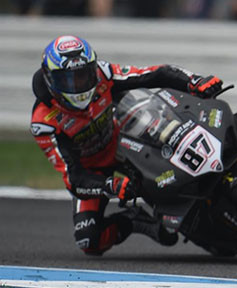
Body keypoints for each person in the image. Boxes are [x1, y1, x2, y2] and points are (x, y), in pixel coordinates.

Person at [30, 35, 223, 255]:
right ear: (49, 79)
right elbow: (73, 177)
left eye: (83, 76)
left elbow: (153, 74)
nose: (78, 86)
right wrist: (109, 185)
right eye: (68, 80)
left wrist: (194, 81)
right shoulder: (44, 122)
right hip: (94, 171)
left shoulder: (104, 73)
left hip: (127, 143)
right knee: (89, 240)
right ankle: (135, 220)